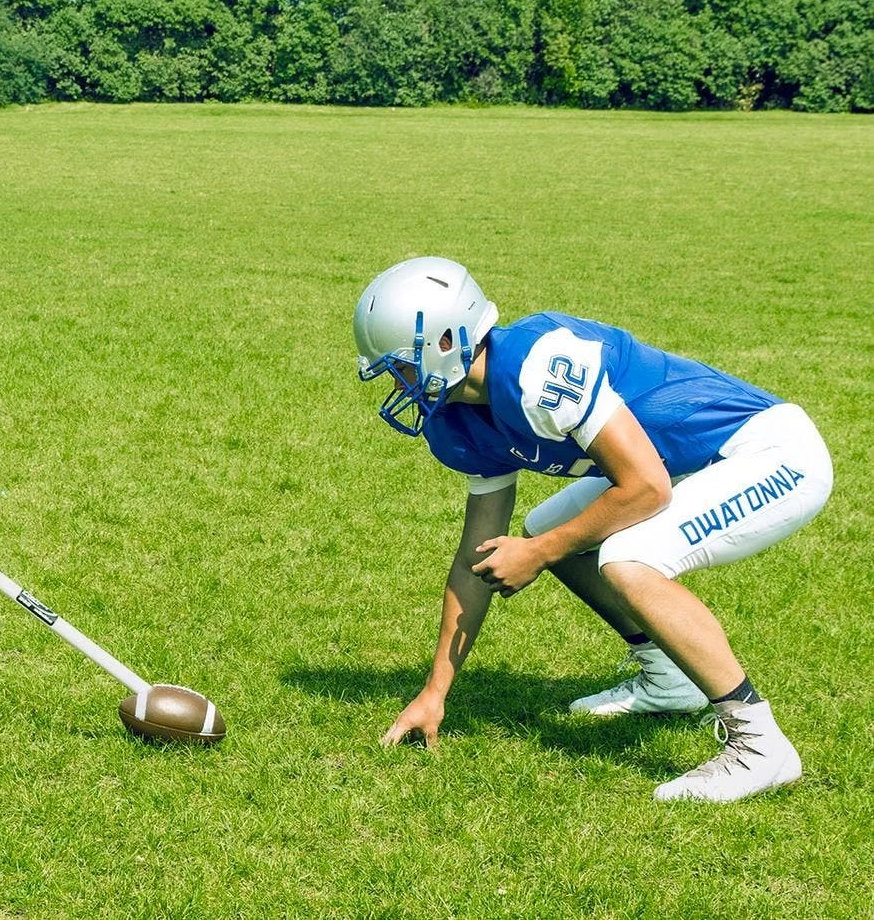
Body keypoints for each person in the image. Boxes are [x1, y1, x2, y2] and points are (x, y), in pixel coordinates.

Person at [355, 256, 833, 802]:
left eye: (402, 366)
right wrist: (436, 691)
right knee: (551, 525)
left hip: (770, 453)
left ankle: (759, 745)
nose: (396, 382)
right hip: (685, 462)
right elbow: (476, 558)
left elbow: (647, 487)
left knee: (625, 556)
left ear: (446, 342)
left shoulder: (537, 366)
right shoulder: (457, 420)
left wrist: (538, 552)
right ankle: (668, 678)